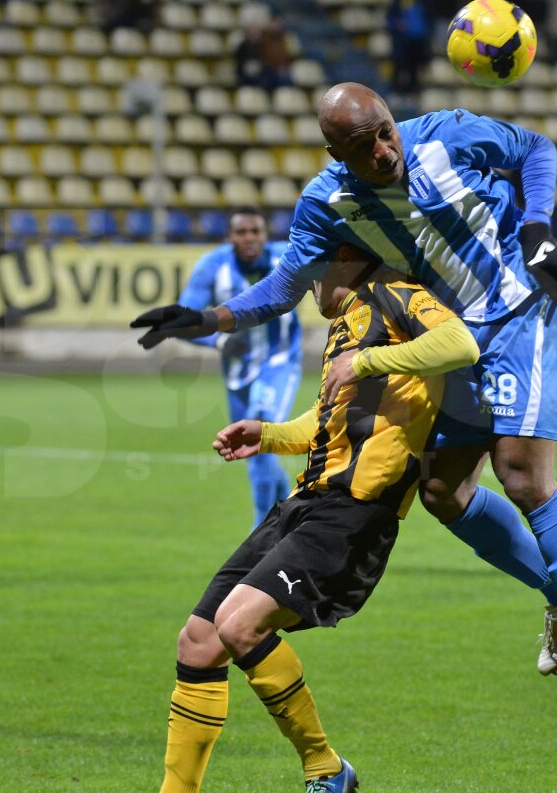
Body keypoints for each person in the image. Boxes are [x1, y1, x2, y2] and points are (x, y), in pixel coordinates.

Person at [133, 83, 557, 727]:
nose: (386, 151)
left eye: (387, 132)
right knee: (443, 491)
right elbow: (286, 286)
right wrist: (207, 318)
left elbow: (535, 148)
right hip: (458, 338)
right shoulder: (328, 200)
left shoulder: (446, 134)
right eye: (365, 147)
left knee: (521, 473)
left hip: (519, 312)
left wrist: (536, 228)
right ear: (337, 151)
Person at [152, 245, 480, 792]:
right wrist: (270, 434)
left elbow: (460, 342)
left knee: (238, 625)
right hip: (306, 504)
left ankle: (325, 769)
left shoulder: (397, 296)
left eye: (312, 273)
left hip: (355, 514)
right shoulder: (346, 325)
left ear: (347, 258)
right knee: (198, 641)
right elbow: (329, 420)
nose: (306, 286)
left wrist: (371, 360)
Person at [177, 208, 302, 529]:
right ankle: (285, 516)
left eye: (256, 231)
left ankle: (260, 533)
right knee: (254, 448)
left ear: (266, 234)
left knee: (259, 427)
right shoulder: (213, 266)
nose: (249, 238)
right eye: (242, 232)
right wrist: (218, 343)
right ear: (230, 237)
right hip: (236, 371)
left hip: (279, 362)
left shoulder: (287, 258)